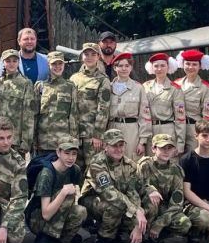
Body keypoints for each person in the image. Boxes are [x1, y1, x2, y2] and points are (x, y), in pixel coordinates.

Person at [80, 129, 155, 243]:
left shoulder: (130, 165)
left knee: (150, 202)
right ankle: (104, 238)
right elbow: (109, 193)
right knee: (114, 206)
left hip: (120, 200)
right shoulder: (97, 163)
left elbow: (133, 192)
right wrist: (135, 211)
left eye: (121, 145)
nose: (119, 149)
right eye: (114, 146)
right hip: (93, 201)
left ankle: (137, 234)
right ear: (105, 146)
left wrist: (138, 218)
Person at [28, 137, 88, 243]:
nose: (71, 158)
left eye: (74, 154)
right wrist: (63, 192)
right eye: (66, 153)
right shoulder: (47, 173)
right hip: (37, 219)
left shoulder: (75, 170)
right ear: (58, 152)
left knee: (81, 211)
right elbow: (45, 214)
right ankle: (44, 236)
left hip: (57, 213)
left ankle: (58, 237)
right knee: (67, 196)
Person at [137, 133, 193, 243]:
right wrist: (150, 190)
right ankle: (144, 239)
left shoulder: (176, 170)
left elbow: (177, 202)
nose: (166, 151)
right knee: (152, 202)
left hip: (164, 209)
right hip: (145, 207)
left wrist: (160, 223)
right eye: (162, 148)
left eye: (170, 148)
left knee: (184, 223)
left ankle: (157, 237)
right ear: (153, 149)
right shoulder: (145, 165)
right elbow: (136, 187)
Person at [69, 42, 111, 172]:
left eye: (93, 54)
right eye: (86, 54)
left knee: (93, 169)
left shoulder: (103, 80)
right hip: (75, 133)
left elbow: (104, 108)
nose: (89, 57)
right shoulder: (74, 78)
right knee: (75, 169)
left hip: (91, 135)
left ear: (98, 57)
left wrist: (98, 134)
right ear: (82, 57)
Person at [34, 51, 80, 157]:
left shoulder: (70, 86)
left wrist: (74, 140)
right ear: (48, 65)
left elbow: (73, 115)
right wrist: (34, 140)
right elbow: (35, 115)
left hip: (63, 142)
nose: (57, 67)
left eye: (60, 63)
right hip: (44, 142)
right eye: (54, 64)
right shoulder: (40, 86)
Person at [108, 51, 151, 160]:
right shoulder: (108, 87)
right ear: (114, 68)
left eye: (127, 66)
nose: (124, 69)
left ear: (131, 68)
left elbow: (144, 116)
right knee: (113, 160)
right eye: (120, 66)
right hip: (113, 128)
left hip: (131, 131)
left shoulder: (138, 88)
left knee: (132, 160)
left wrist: (142, 142)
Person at [0, 49, 38, 154]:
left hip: (15, 139)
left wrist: (26, 141)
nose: (11, 64)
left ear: (18, 62)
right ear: (3, 63)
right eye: (8, 61)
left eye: (14, 61)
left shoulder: (25, 83)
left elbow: (29, 114)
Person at [143, 52, 187, 155]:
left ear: (168, 67)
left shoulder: (175, 89)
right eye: (156, 66)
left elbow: (180, 118)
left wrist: (180, 143)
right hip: (150, 131)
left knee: (169, 161)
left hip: (167, 130)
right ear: (152, 68)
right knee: (151, 162)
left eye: (163, 65)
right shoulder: (145, 86)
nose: (159, 69)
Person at [173, 49, 209, 149]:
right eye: (187, 64)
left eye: (194, 64)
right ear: (182, 64)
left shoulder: (205, 88)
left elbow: (208, 117)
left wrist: (205, 136)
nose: (190, 67)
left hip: (194, 129)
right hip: (176, 128)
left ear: (200, 66)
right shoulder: (175, 84)